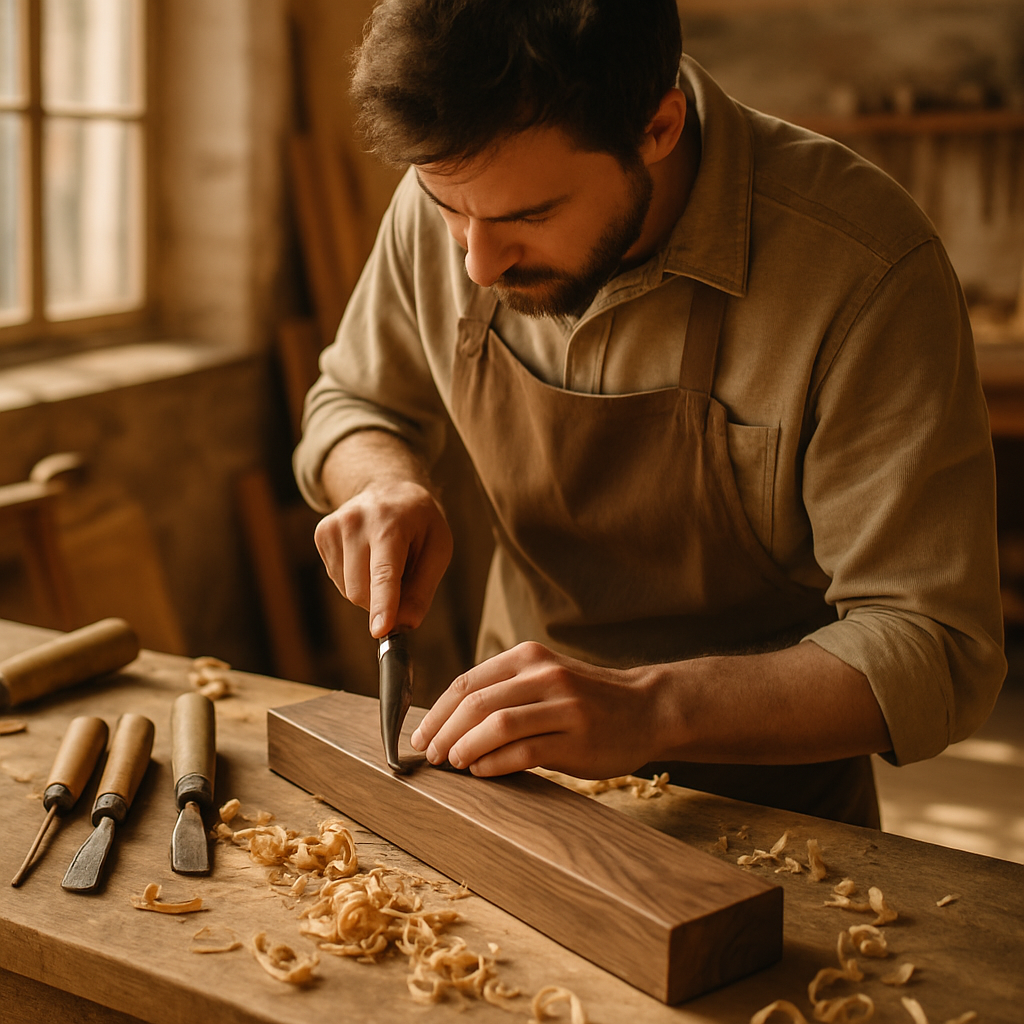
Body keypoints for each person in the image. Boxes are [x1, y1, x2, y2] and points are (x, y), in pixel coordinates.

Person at [294, 0, 1006, 827]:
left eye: (530, 217)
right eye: (448, 211)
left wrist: (650, 707)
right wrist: (382, 482)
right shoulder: (466, 188)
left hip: (773, 819)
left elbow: (935, 644)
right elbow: (354, 400)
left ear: (657, 128)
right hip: (515, 788)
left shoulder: (864, 268)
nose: (478, 263)